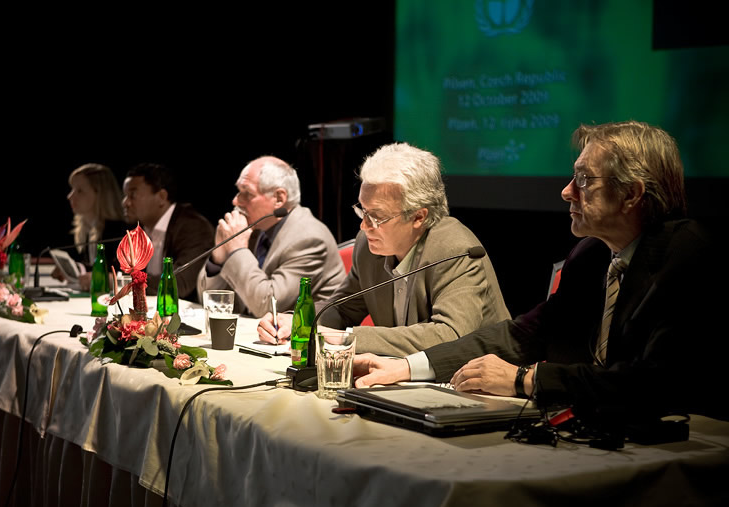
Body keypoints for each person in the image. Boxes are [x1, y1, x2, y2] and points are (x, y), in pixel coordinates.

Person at [354, 121, 726, 423]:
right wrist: (407, 367)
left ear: (631, 195)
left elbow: (653, 382)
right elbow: (522, 335)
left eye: (584, 180)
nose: (566, 192)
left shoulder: (688, 256)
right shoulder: (592, 256)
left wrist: (525, 379)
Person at [258, 142, 511, 356]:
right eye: (362, 210)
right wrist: (298, 322)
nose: (364, 226)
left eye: (376, 216)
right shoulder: (367, 246)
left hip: (484, 385)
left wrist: (346, 338)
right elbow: (342, 308)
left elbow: (450, 335)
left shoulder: (456, 250)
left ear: (418, 217)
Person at [196, 156, 346, 317]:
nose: (236, 201)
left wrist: (237, 249)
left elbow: (268, 307)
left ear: (279, 198)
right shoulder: (256, 228)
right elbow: (208, 299)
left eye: (247, 193)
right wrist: (219, 257)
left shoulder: (309, 238)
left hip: (304, 331)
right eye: (239, 191)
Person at [122, 163, 214, 301]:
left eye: (132, 195)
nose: (125, 202)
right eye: (125, 195)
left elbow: (179, 284)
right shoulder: (139, 229)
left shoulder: (193, 227)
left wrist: (122, 282)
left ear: (161, 197)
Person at [55, 163, 127, 290]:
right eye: (72, 189)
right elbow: (95, 269)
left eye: (80, 191)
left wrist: (104, 278)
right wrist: (74, 270)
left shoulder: (120, 232)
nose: (70, 196)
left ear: (100, 194)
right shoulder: (90, 229)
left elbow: (128, 276)